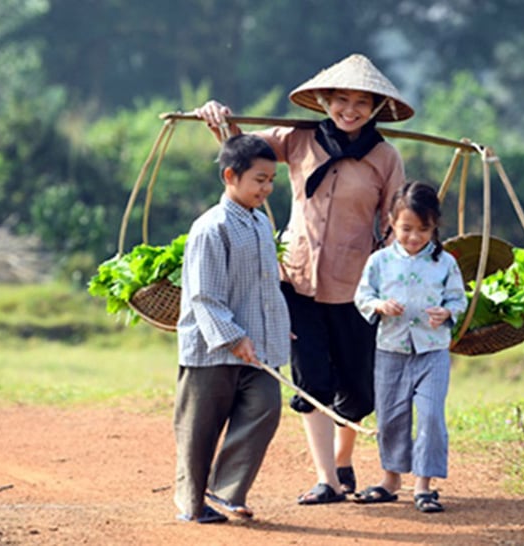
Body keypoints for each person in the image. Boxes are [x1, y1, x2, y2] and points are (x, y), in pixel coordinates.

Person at [195, 53, 414, 504]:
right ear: (324, 100)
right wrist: (217, 117)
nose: (349, 111)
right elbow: (242, 149)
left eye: (360, 103)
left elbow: (396, 221)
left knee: (356, 384)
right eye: (340, 100)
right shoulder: (297, 140)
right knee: (310, 378)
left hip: (357, 287)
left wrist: (404, 268)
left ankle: (343, 458)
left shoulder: (384, 157)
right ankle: (327, 479)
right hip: (296, 281)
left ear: (374, 108)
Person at [174, 134, 291, 523]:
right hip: (211, 351)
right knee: (199, 431)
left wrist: (277, 327)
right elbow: (204, 297)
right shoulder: (211, 228)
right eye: (259, 179)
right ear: (230, 175)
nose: (267, 188)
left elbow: (264, 286)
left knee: (266, 408)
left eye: (271, 179)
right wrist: (233, 337)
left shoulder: (260, 224)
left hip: (255, 349)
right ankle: (192, 505)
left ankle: (225, 491)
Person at [353, 181, 467, 514]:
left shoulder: (445, 263)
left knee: (431, 416)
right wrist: (379, 306)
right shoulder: (380, 261)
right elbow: (362, 295)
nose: (414, 237)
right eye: (406, 228)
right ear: (390, 221)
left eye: (423, 229)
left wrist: (447, 312)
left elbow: (459, 300)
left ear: (435, 227)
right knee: (391, 416)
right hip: (390, 349)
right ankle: (390, 480)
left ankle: (424, 486)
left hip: (433, 351)